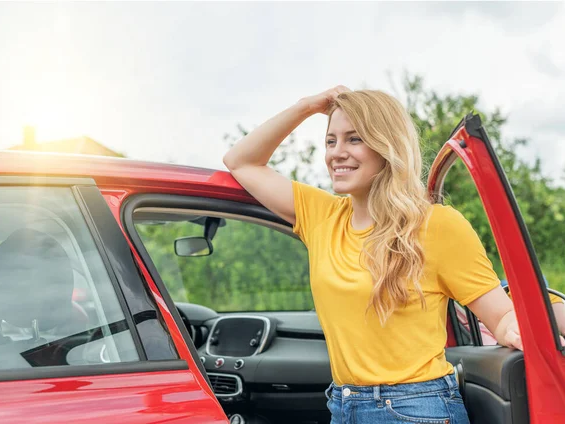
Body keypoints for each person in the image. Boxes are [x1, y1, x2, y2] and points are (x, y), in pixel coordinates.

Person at [223, 87, 523, 424]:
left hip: (415, 408)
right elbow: (240, 161)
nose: (337, 153)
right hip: (342, 404)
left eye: (354, 139)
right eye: (330, 141)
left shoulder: (436, 225)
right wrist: (306, 107)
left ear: (386, 146)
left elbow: (499, 316)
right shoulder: (321, 215)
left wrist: (521, 330)